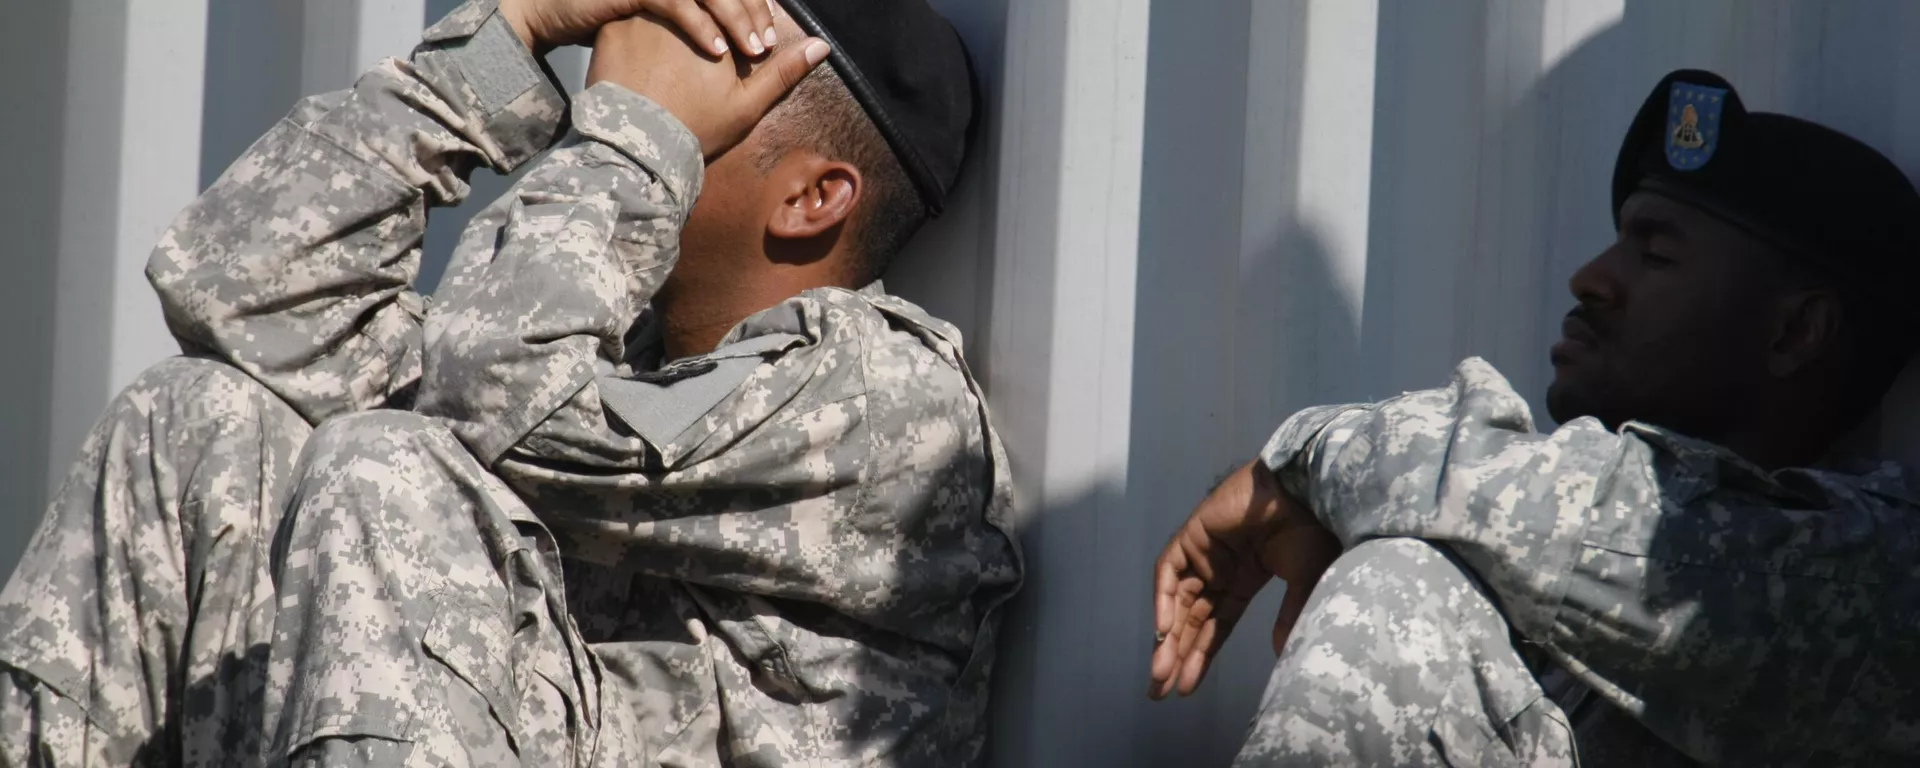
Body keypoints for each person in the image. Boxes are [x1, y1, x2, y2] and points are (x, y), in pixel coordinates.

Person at [0, 0, 1020, 764]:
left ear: (811, 196)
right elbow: (237, 282)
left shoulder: (885, 396)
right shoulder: (604, 351)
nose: (632, 79)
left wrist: (633, 138)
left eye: (707, 72)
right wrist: (517, 35)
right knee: (194, 421)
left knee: (388, 466)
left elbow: (499, 403)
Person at [1149, 69, 1920, 766]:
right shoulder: (1524, 574)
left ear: (1793, 332)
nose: (1590, 279)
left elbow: (1552, 507)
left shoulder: (1874, 567)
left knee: (1402, 580)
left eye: (1655, 257)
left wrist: (1307, 461)